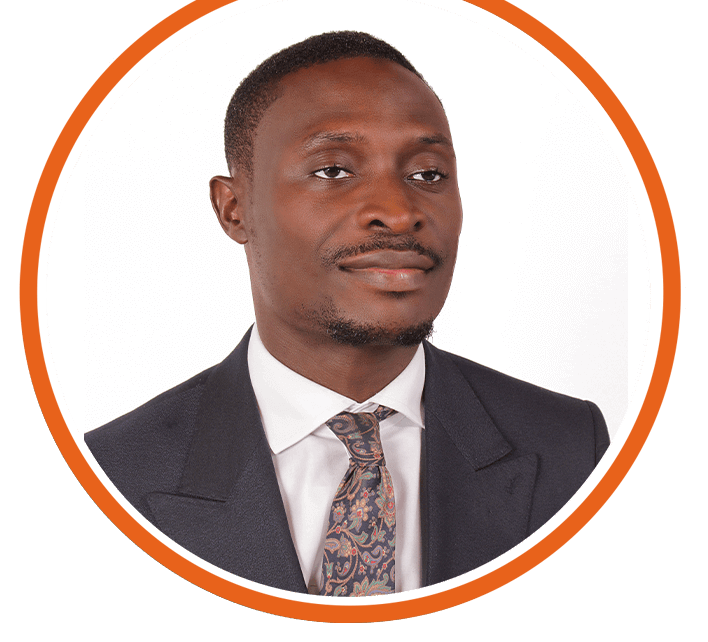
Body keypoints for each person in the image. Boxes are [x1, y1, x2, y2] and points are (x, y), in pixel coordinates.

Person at [84, 30, 609, 597]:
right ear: (234, 209)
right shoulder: (112, 474)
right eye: (333, 170)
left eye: (428, 174)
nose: (399, 212)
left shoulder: (571, 448)